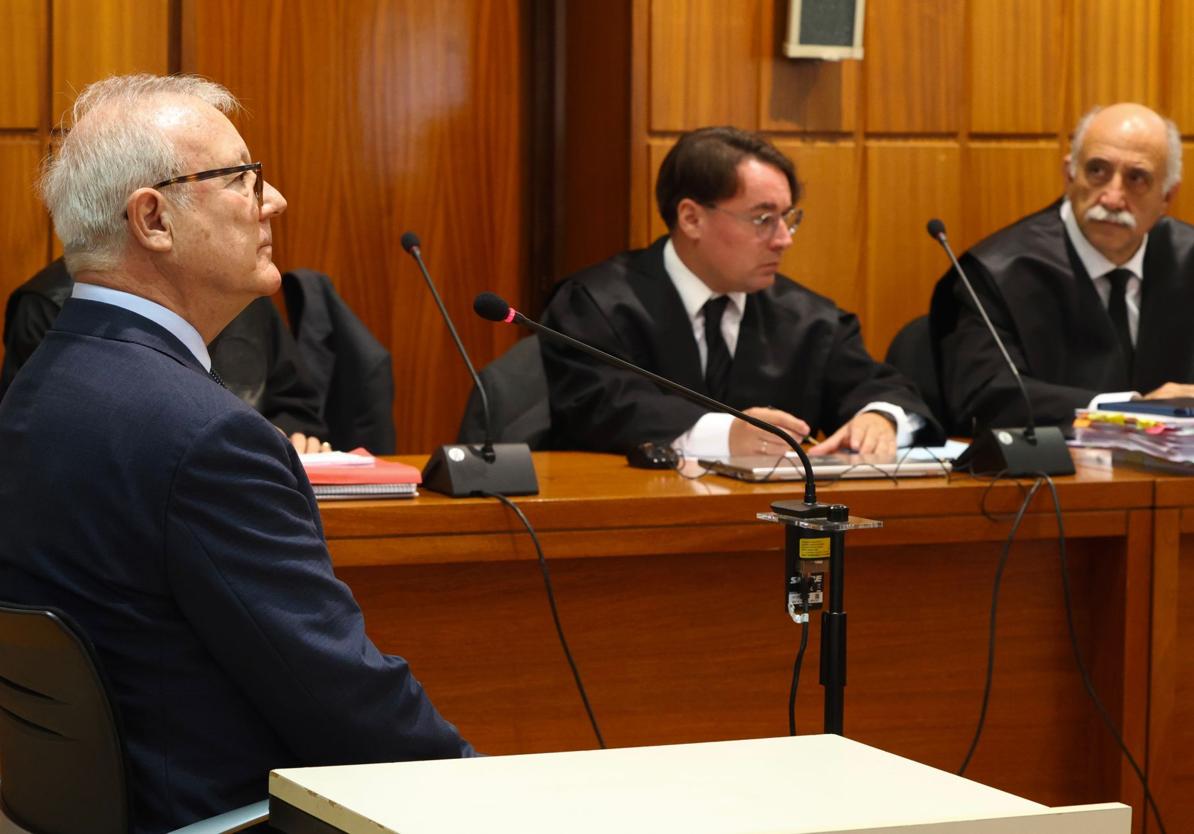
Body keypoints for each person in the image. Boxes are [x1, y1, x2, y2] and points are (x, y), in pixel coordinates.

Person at [0, 74, 473, 833]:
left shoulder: (38, 389)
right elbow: (342, 700)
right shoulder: (205, 437)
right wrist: (484, 794)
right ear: (153, 219)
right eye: (241, 178)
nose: (273, 200)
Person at [541, 126, 939, 458]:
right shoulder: (595, 306)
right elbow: (601, 409)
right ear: (691, 218)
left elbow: (883, 388)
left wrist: (880, 418)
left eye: (787, 218)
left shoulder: (808, 319)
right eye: (763, 219)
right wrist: (725, 434)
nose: (783, 239)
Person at [930, 102, 1194, 433]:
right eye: (1097, 171)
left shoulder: (1187, 258)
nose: (1113, 198)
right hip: (1051, 465)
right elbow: (984, 395)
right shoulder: (996, 272)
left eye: (1136, 178)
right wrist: (1123, 411)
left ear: (1167, 196)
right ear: (1069, 175)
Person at [1, 258, 331, 452]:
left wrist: (288, 439)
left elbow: (298, 408)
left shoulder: (244, 288)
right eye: (236, 184)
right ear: (152, 218)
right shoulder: (48, 306)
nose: (269, 203)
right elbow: (42, 445)